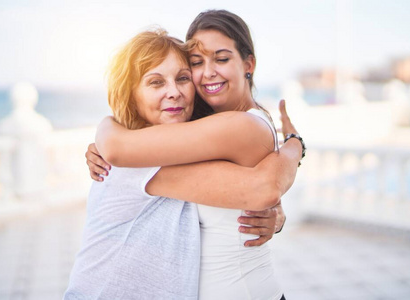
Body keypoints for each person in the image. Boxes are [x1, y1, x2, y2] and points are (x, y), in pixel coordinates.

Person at [84, 10, 305, 300]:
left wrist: (293, 146)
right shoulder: (199, 129)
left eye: (222, 59)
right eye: (197, 63)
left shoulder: (242, 125)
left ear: (248, 64)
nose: (208, 72)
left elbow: (265, 188)